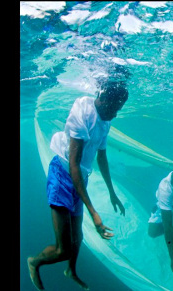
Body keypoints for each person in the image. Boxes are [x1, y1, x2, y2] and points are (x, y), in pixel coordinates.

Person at [27, 80, 128, 290]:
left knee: (78, 237)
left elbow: (102, 158)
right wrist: (94, 213)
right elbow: (73, 164)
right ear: (104, 99)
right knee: (63, 249)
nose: (116, 114)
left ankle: (70, 270)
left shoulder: (105, 121)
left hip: (79, 178)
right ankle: (34, 262)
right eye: (114, 108)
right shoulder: (83, 110)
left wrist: (112, 193)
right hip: (62, 175)